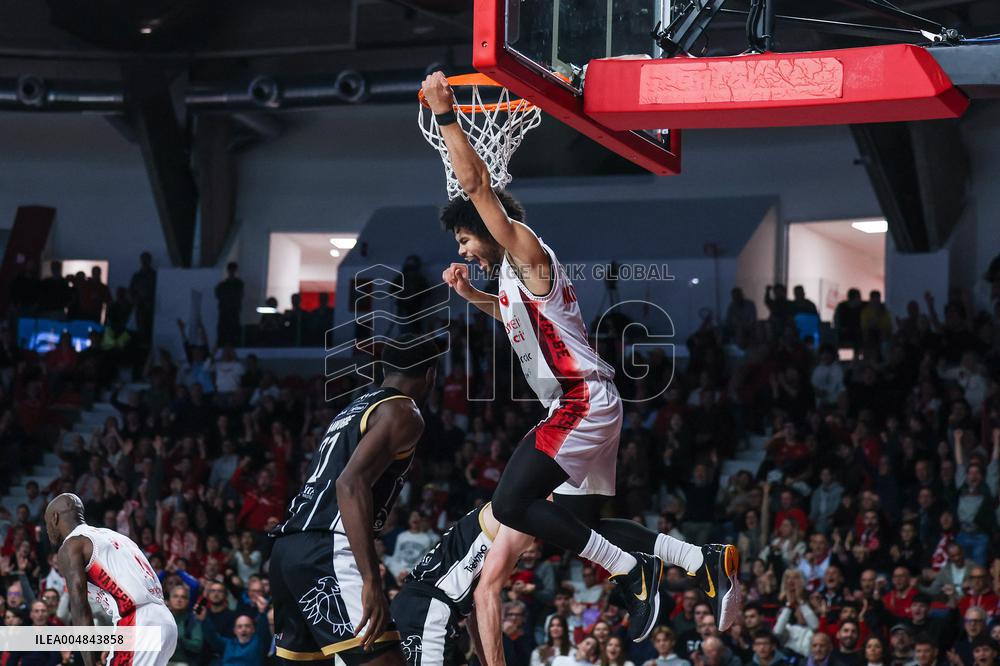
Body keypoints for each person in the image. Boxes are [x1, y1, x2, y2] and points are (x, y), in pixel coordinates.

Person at [422, 70, 739, 641]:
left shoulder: (524, 247)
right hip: (586, 403)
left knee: (513, 502)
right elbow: (523, 323)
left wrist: (447, 115)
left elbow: (477, 190)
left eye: (465, 240)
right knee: (582, 523)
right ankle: (700, 560)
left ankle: (631, 569)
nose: (464, 250)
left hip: (580, 401)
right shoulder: (515, 283)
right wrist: (475, 299)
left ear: (487, 229)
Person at [268, 336, 438, 665]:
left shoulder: (355, 407)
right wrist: (371, 578)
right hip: (327, 547)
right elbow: (349, 484)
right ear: (430, 375)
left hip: (288, 547)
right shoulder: (404, 410)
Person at [391, 502, 533, 666]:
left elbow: (475, 613)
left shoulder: (502, 515)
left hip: (422, 606)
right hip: (429, 607)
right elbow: (484, 596)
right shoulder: (517, 517)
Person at [45, 493, 177, 666]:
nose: (47, 529)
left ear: (54, 518)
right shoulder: (115, 536)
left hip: (138, 623)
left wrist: (89, 663)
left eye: (46, 523)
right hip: (165, 620)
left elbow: (79, 608)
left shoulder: (72, 545)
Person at [215, 262, 245, 347]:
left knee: (232, 331)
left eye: (233, 270)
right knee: (225, 331)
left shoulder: (238, 284)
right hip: (226, 312)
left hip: (232, 312)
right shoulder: (223, 285)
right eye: (231, 270)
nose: (232, 272)